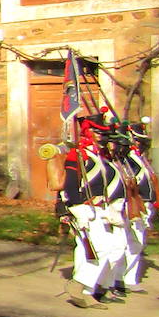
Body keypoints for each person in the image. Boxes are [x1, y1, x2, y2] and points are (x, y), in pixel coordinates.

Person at [60, 113, 129, 307]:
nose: (102, 136)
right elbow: (71, 185)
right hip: (83, 208)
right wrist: (76, 208)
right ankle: (79, 284)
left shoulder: (97, 156)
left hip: (98, 209)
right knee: (98, 248)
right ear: (88, 131)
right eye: (98, 132)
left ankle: (87, 291)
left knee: (97, 250)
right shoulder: (78, 155)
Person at [119, 119, 159, 294]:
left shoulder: (140, 158)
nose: (142, 144)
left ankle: (128, 278)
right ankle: (121, 279)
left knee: (137, 242)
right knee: (130, 242)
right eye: (139, 141)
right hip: (134, 205)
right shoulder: (128, 160)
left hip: (144, 205)